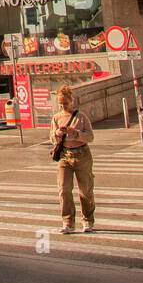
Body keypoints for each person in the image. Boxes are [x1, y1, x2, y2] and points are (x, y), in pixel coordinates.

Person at [49, 84, 95, 234]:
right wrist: (57, 133)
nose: (63, 107)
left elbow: (90, 137)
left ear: (72, 101)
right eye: (60, 104)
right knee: (64, 189)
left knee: (85, 190)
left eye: (66, 104)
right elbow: (51, 138)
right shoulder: (56, 118)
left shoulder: (81, 117)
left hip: (82, 155)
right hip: (65, 156)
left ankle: (87, 220)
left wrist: (75, 133)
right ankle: (68, 221)